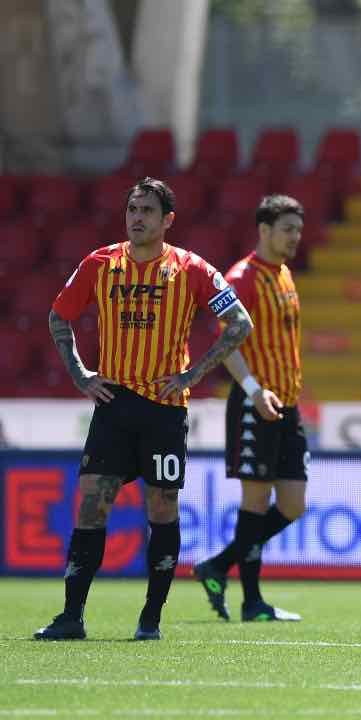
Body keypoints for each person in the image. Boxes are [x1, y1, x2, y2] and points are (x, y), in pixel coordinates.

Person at [36, 177, 253, 641]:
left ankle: (150, 619)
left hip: (164, 410)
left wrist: (194, 374)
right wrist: (80, 374)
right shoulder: (99, 264)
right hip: (113, 405)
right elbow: (60, 315)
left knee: (162, 505)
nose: (137, 218)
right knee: (92, 504)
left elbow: (239, 322)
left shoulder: (192, 269)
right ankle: (71, 616)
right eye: (132, 209)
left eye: (147, 211)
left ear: (167, 219)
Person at [193, 195, 308, 623]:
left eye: (298, 229)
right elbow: (226, 343)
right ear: (264, 229)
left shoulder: (284, 276)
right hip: (255, 401)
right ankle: (252, 602)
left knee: (293, 503)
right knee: (256, 500)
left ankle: (218, 566)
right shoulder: (241, 278)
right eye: (287, 229)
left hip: (287, 404)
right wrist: (255, 389)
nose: (295, 237)